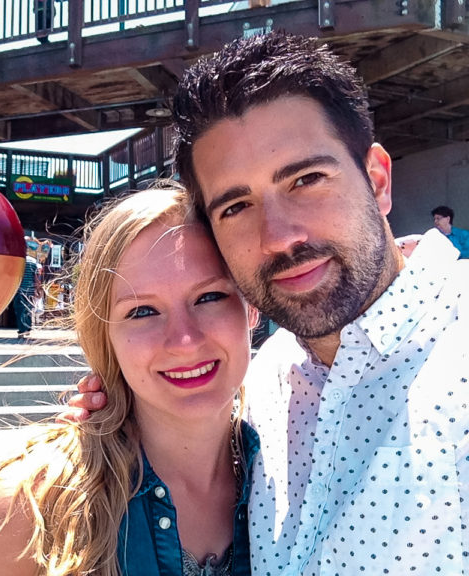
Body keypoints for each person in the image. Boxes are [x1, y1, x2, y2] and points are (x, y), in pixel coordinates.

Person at [70, 31, 469, 574]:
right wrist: (116, 421)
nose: (279, 235)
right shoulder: (264, 381)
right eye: (236, 206)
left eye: (307, 179)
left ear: (377, 180)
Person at [0, 185, 260, 576]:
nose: (184, 341)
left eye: (209, 297)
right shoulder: (29, 503)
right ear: (103, 333)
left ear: (252, 306)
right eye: (142, 311)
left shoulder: (302, 470)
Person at [13, 237, 42, 338]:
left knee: (20, 310)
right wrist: (38, 289)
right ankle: (28, 328)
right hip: (30, 289)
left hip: (20, 289)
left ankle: (22, 330)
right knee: (28, 309)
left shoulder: (18, 261)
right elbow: (36, 278)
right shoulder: (33, 262)